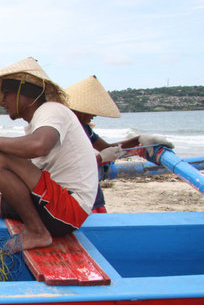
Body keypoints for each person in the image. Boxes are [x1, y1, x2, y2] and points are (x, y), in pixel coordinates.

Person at [0, 57, 98, 253]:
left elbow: (40, 146)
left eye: (6, 94)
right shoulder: (35, 128)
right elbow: (10, 183)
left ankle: (37, 232)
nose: (3, 101)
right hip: (54, 208)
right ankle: (37, 228)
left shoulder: (52, 110)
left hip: (69, 209)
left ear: (24, 93)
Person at [65, 75, 174, 212]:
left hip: (92, 192)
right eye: (91, 111)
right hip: (74, 194)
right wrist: (101, 158)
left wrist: (138, 140)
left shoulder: (85, 128)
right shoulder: (62, 130)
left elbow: (107, 148)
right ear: (78, 109)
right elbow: (66, 165)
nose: (94, 115)